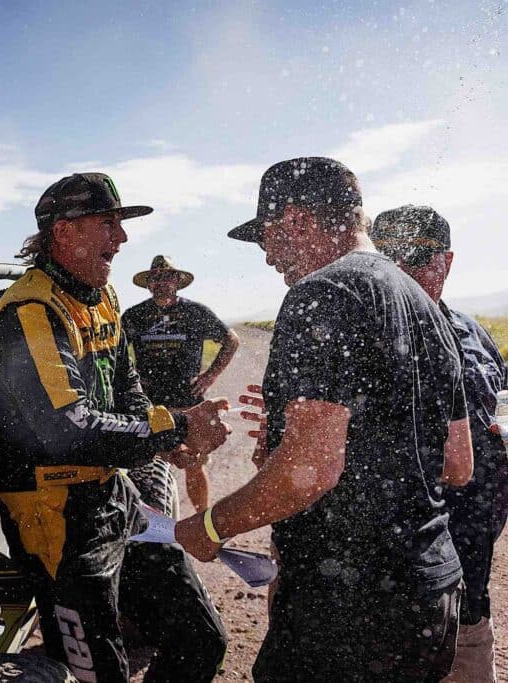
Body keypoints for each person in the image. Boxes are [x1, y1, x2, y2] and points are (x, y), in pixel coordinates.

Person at [175, 157, 474, 682]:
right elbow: (457, 464)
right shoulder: (423, 304)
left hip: (352, 607)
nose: (268, 257)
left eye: (266, 237)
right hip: (432, 592)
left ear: (294, 220)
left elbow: (306, 474)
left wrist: (209, 526)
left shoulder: (323, 294)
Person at [0, 172, 230, 683]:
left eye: (120, 224)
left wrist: (170, 442)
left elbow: (128, 390)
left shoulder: (105, 297)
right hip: (54, 515)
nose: (121, 239)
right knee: (99, 673)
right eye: (108, 224)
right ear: (63, 231)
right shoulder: (30, 308)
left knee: (201, 639)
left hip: (111, 495)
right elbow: (67, 427)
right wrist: (176, 425)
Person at [371, 205, 508, 683]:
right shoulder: (366, 338)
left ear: (446, 262)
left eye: (418, 256)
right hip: (401, 587)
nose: (403, 269)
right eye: (389, 256)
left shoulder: (474, 333)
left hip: (472, 576)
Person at [124, 255, 240, 513]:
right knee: (147, 468)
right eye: (155, 278)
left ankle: (202, 521)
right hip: (152, 406)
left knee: (194, 464)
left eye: (167, 277)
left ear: (177, 281)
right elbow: (115, 353)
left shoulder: (195, 312)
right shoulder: (135, 315)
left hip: (189, 405)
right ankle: (154, 534)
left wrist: (210, 375)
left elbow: (231, 340)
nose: (161, 283)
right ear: (148, 284)